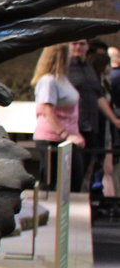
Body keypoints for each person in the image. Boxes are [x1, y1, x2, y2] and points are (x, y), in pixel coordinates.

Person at [65, 38, 119, 193]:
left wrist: (114, 119)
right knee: (71, 174)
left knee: (87, 171)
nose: (78, 47)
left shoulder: (88, 68)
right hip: (73, 128)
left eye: (82, 44)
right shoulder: (64, 68)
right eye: (74, 43)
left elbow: (98, 96)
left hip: (91, 125)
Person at [32, 44, 83, 190]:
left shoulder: (63, 79)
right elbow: (47, 110)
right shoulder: (48, 81)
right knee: (52, 184)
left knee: (74, 181)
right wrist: (65, 133)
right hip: (52, 139)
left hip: (67, 139)